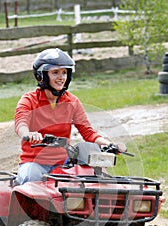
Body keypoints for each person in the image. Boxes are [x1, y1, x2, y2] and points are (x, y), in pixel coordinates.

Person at [15, 48, 124, 184]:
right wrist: (28, 134)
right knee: (31, 180)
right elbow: (20, 123)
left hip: (64, 163)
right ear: (41, 76)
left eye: (64, 72)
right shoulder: (29, 99)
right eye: (55, 72)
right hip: (34, 163)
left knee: (93, 181)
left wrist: (110, 144)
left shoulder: (72, 101)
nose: (61, 77)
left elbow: (88, 132)